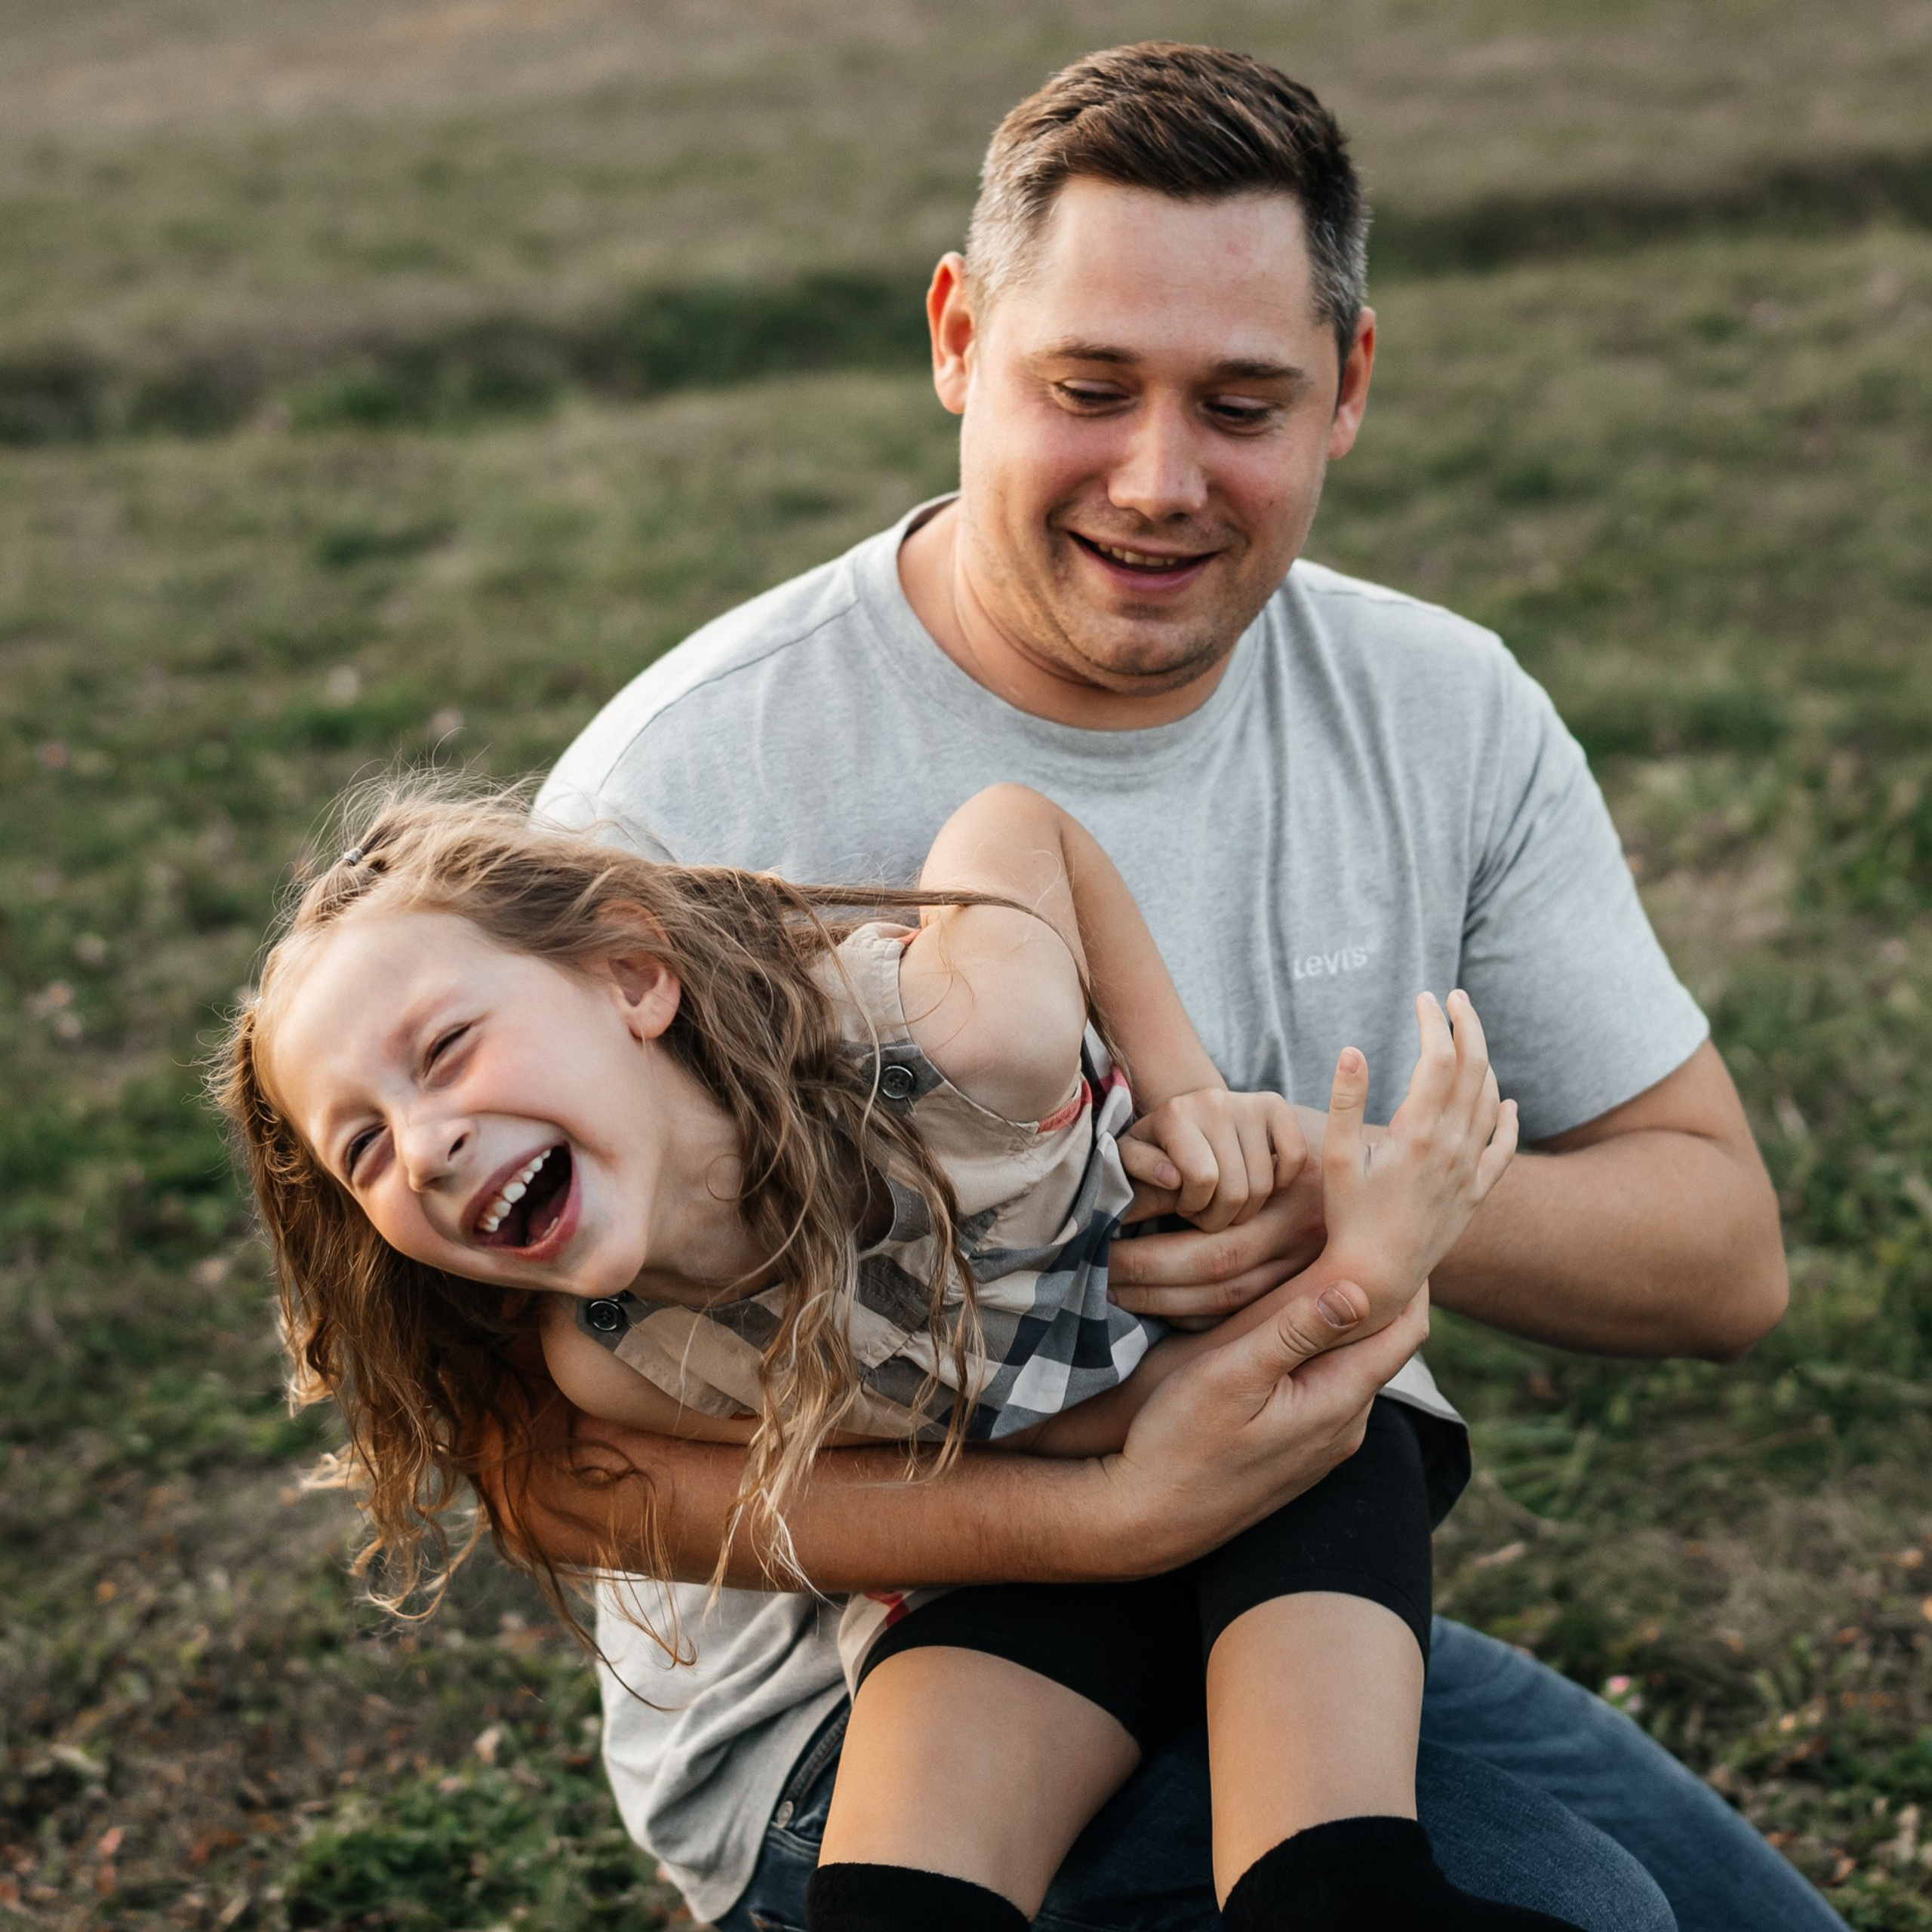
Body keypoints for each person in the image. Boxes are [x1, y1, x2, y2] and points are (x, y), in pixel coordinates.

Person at [513, 39, 1829, 1932]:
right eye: (1087, 388)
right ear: (958, 341)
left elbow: (1721, 1257)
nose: (1157, 480)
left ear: (1347, 391)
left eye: (1239, 403)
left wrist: (1349, 1199)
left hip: (1273, 1593)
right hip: (846, 1713)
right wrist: (1102, 1514)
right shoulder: (683, 792)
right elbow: (539, 1454)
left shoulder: (1439, 711)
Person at [224, 776, 1552, 1930]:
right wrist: (1129, 1489)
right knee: (894, 1906)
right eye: (365, 1148)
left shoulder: (969, 1041)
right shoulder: (626, 1359)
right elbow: (955, 1464)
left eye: (446, 1049)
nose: (427, 1140)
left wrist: (1209, 1105)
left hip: (1284, 1468)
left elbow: (1020, 821)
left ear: (632, 976)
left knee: (1329, 1891)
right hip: (1028, 1537)